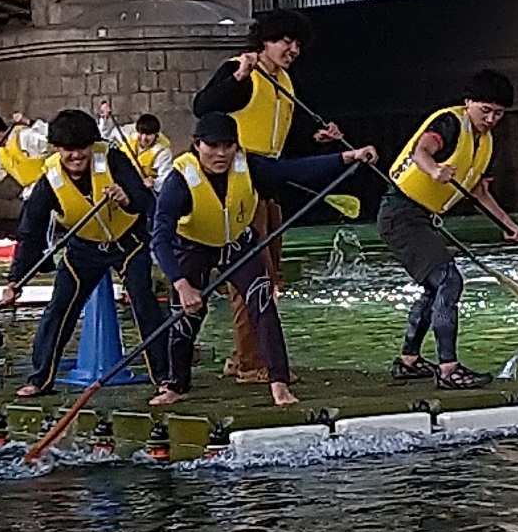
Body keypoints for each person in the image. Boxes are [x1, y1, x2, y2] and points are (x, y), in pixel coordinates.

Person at [150, 112, 377, 408]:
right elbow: (159, 238)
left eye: (228, 146)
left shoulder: (249, 165)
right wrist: (181, 284)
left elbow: (293, 171)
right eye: (213, 146)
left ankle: (278, 383)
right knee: (186, 319)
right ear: (197, 145)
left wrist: (349, 157)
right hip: (192, 248)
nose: (221, 154)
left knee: (263, 303)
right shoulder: (178, 182)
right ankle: (176, 385)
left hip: (237, 244)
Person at [191, 9, 344, 382]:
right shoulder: (241, 70)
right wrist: (239, 76)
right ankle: (251, 364)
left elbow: (279, 134)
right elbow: (204, 107)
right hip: (238, 184)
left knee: (270, 277)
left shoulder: (285, 81)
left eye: (296, 43)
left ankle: (241, 355)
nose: (291, 49)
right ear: (264, 41)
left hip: (268, 182)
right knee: (251, 277)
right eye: (284, 41)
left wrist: (316, 138)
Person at [0, 109, 167, 397]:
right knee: (59, 308)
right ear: (57, 149)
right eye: (68, 150)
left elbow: (146, 201)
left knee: (144, 303)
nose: (76, 155)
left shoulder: (113, 158)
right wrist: (15, 279)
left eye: (82, 148)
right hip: (84, 248)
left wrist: (127, 200)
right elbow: (31, 231)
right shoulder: (49, 178)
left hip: (128, 243)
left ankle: (165, 378)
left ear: (92, 145)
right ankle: (40, 380)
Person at [380, 70, 518, 390]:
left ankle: (408, 362)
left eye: (498, 113)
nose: (490, 118)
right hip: (399, 214)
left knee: (436, 287)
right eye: (484, 110)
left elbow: (478, 193)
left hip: (420, 217)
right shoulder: (449, 123)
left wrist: (508, 225)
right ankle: (448, 370)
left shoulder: (485, 142)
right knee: (448, 279)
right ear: (468, 102)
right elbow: (421, 152)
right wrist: (435, 170)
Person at [96, 101, 173, 185]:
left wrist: (154, 182)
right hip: (119, 183)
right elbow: (106, 135)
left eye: (148, 135)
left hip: (141, 189)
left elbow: (166, 178)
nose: (144, 138)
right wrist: (106, 118)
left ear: (156, 135)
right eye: (141, 133)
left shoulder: (163, 153)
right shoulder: (127, 136)